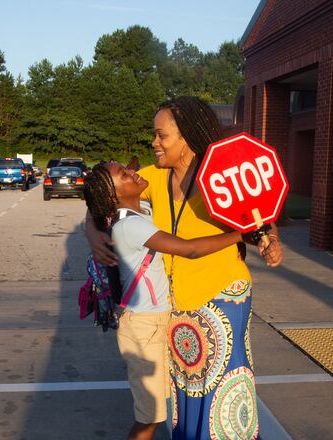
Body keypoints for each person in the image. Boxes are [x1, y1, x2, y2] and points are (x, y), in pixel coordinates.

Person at [87, 96, 283, 440]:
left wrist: (271, 239)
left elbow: (259, 212)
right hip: (178, 309)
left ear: (187, 138)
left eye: (162, 136)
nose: (154, 143)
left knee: (220, 394)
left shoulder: (222, 175)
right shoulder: (155, 178)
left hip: (221, 297)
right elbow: (104, 196)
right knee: (188, 394)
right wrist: (92, 232)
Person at [84, 161, 243, 440]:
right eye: (124, 174)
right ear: (113, 197)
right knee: (150, 418)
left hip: (153, 323)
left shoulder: (140, 212)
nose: (133, 172)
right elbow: (189, 249)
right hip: (144, 329)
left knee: (157, 411)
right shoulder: (129, 226)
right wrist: (240, 235)